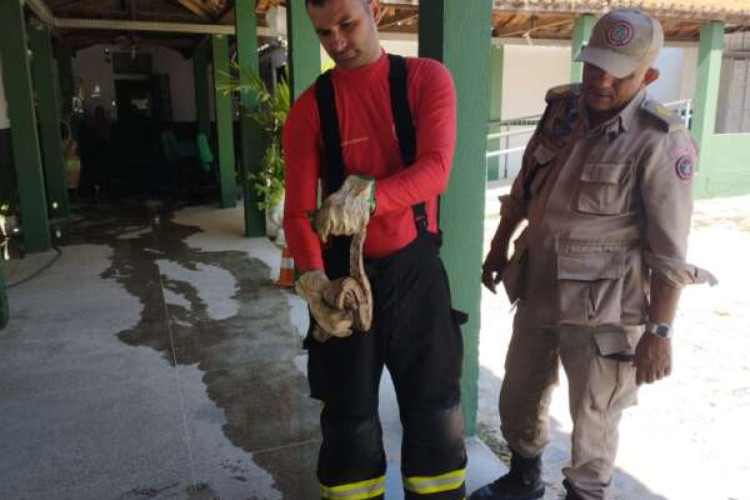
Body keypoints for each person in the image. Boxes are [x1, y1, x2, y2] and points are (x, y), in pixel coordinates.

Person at [472, 9, 716, 500]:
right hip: (539, 288)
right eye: (592, 66)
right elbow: (524, 189)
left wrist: (660, 332)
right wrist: (498, 247)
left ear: (647, 75)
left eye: (615, 72)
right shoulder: (562, 110)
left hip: (605, 309)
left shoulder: (661, 142)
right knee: (519, 394)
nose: (598, 81)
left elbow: (669, 255)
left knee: (594, 416)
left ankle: (585, 494)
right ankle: (524, 477)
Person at [282, 0, 467, 498]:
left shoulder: (425, 80)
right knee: (348, 419)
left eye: (348, 24)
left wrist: (371, 196)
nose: (338, 43)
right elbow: (299, 212)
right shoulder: (308, 110)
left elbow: (436, 168)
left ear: (376, 11)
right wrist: (314, 281)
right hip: (344, 276)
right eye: (324, 33)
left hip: (416, 270)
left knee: (435, 413)